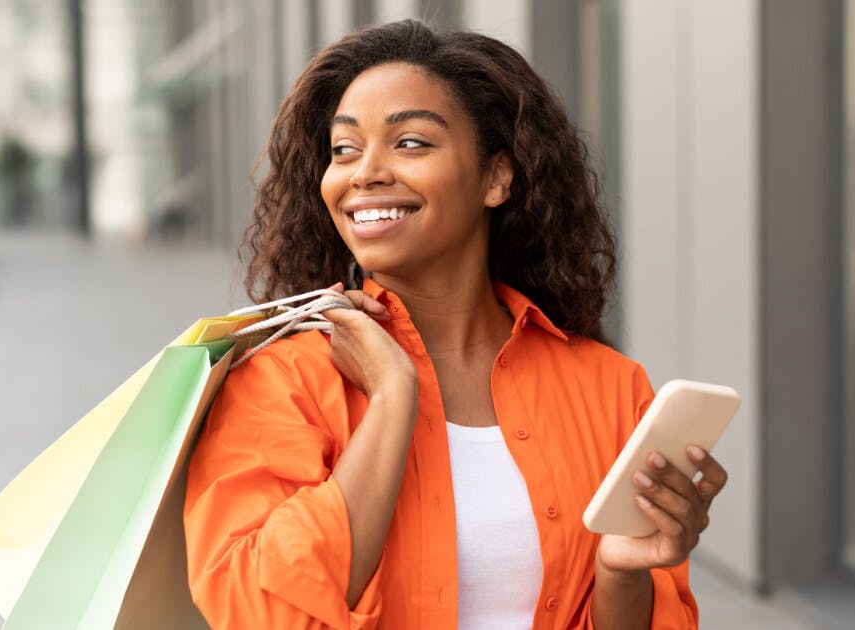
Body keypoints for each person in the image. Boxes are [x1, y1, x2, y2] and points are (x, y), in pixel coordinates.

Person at [183, 19, 727, 629]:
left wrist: (623, 570)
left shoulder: (612, 390)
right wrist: (392, 401)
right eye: (344, 149)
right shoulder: (278, 384)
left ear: (496, 177)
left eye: (411, 142)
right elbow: (256, 613)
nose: (366, 172)